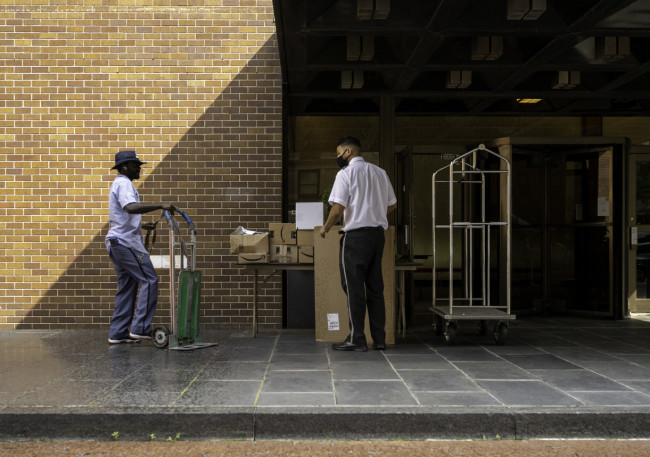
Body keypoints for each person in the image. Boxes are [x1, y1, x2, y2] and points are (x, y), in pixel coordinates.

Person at [319, 137, 397, 352]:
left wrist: (325, 228)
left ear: (349, 151)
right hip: (376, 236)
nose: (338, 157)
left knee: (354, 289)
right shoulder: (380, 172)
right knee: (375, 288)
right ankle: (379, 339)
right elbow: (393, 204)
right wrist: (374, 214)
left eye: (338, 153)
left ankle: (357, 339)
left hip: (355, 238)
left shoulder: (346, 174)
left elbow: (337, 209)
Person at [105, 150, 174, 344]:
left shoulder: (119, 184)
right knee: (149, 280)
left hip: (117, 242)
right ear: (125, 166)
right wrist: (161, 205)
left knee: (127, 287)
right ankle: (140, 328)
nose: (139, 169)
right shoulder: (124, 183)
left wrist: (142, 225)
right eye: (136, 166)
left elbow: (122, 216)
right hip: (125, 244)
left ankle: (117, 333)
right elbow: (130, 207)